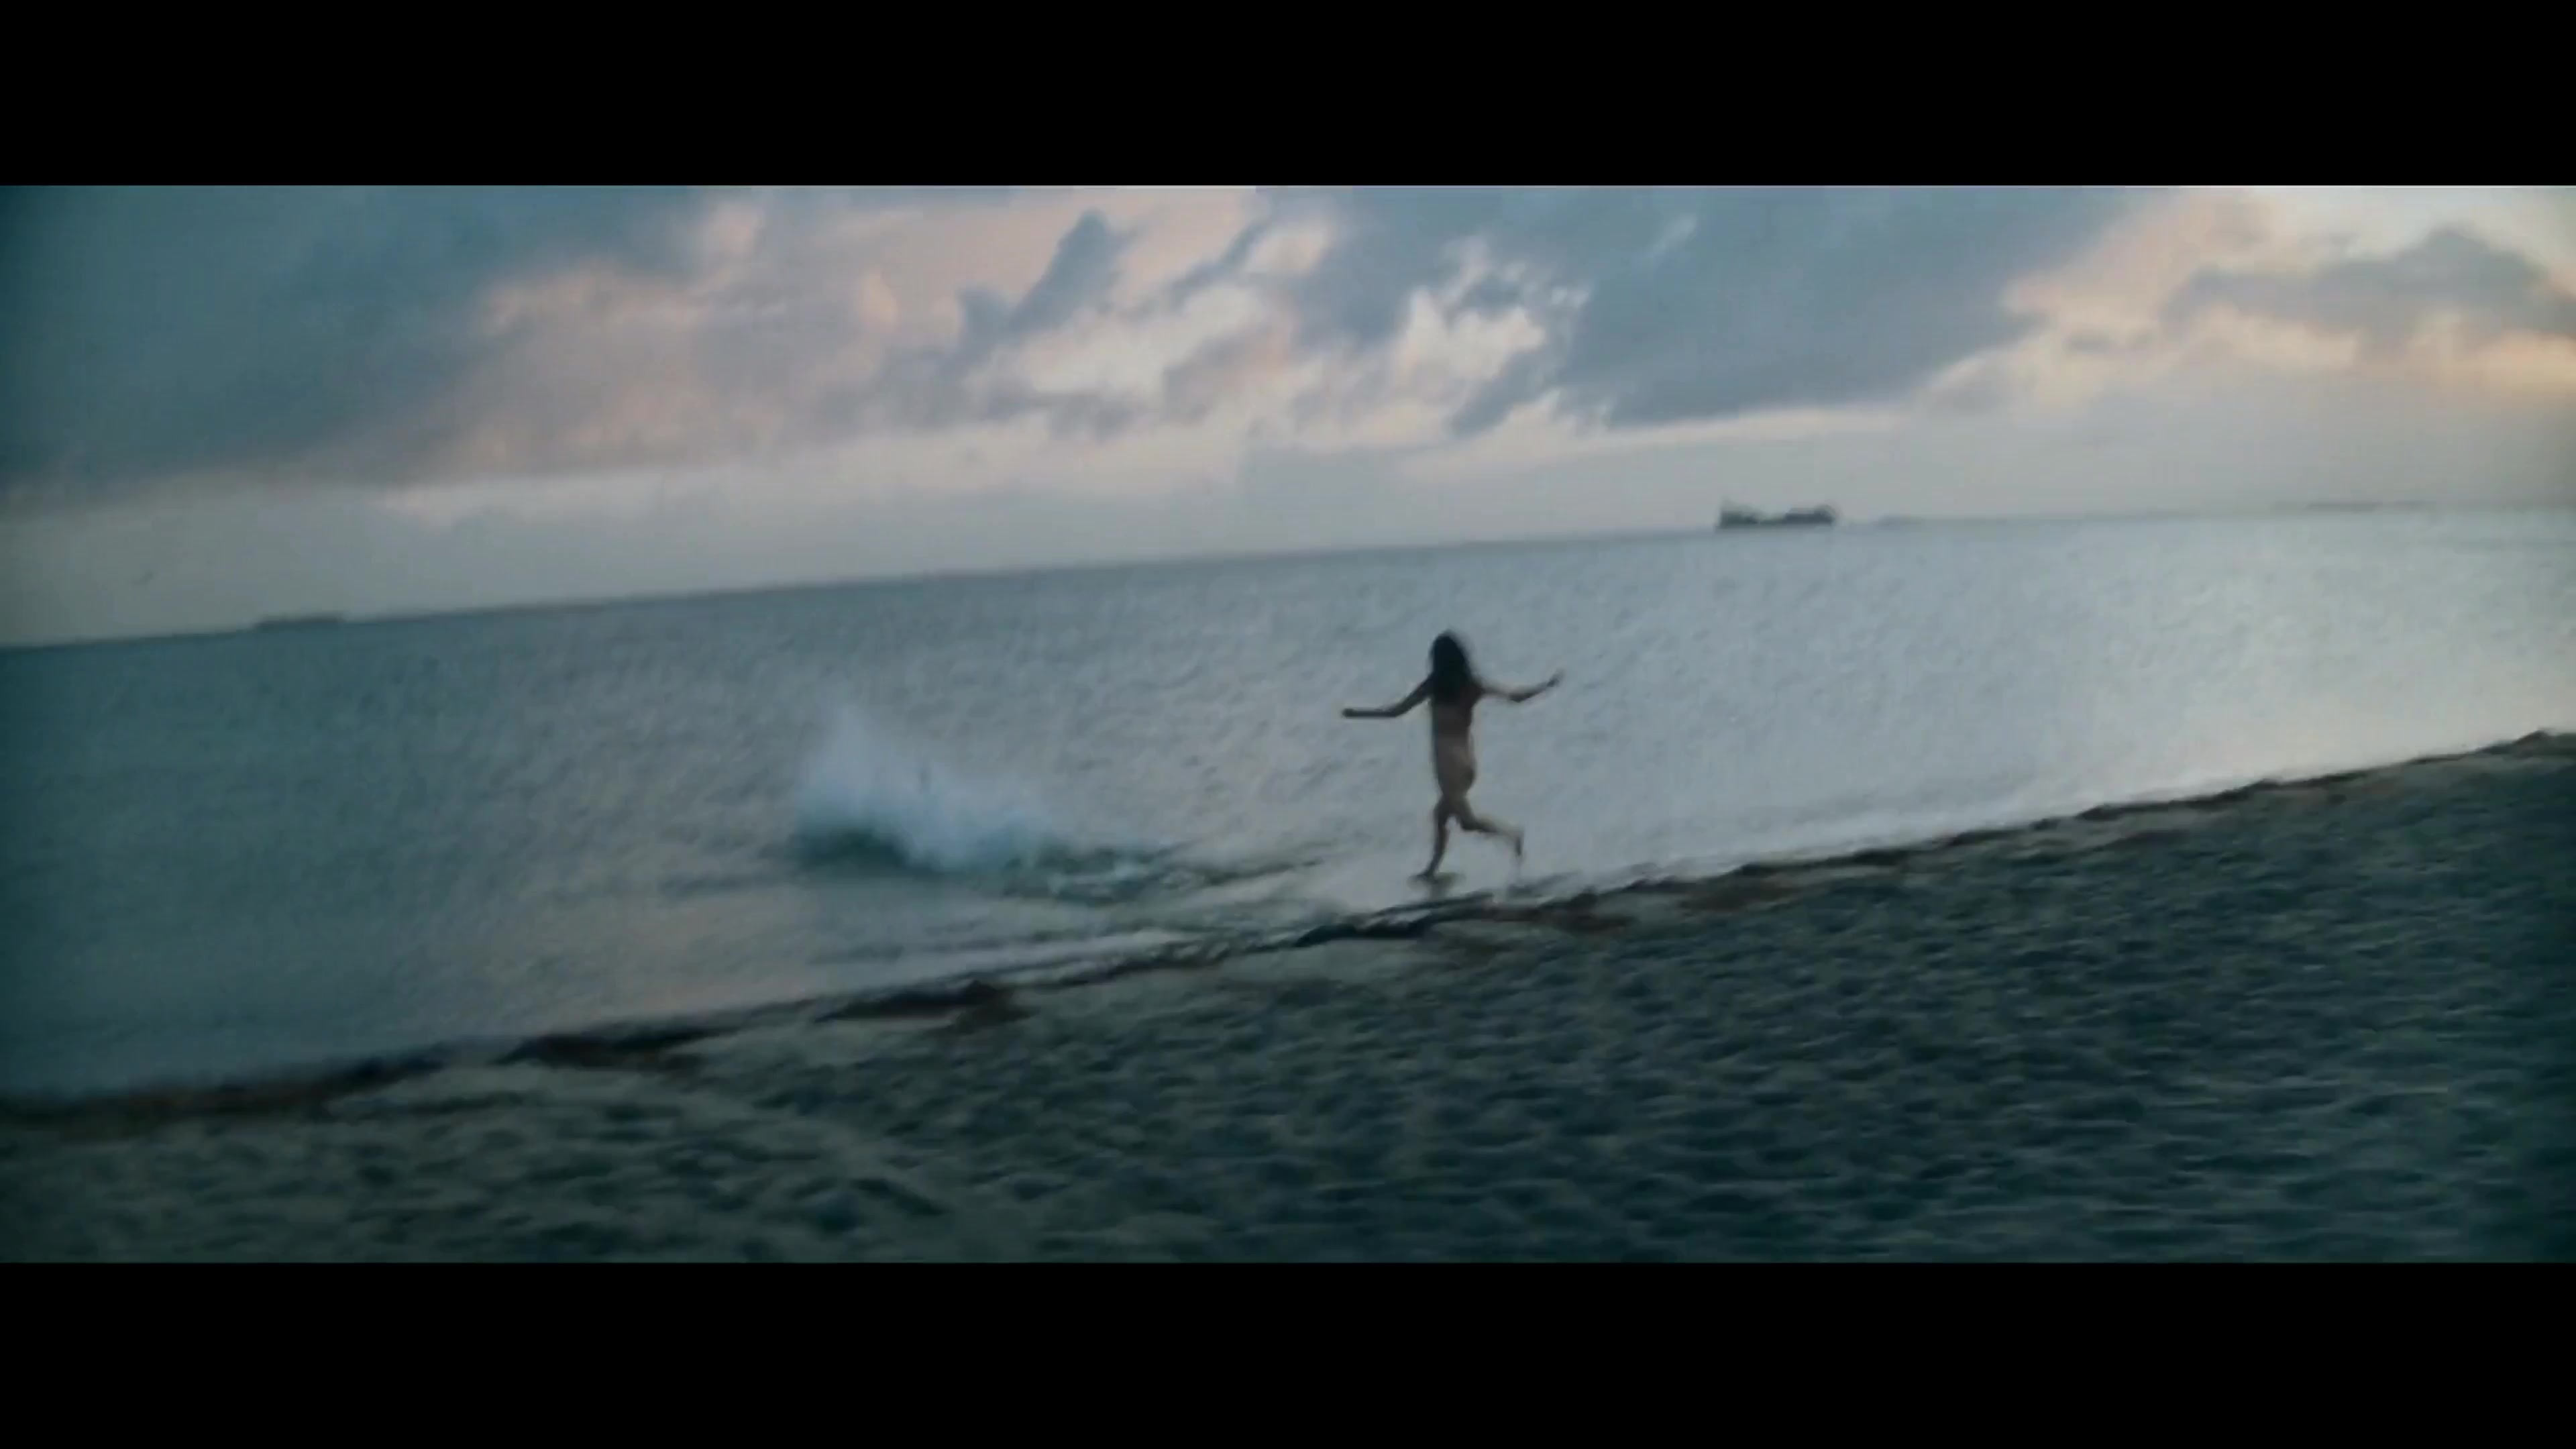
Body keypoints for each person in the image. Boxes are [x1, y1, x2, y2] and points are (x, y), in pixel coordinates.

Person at [1342, 631, 1562, 879]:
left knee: (1466, 822)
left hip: (1448, 763)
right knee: (1440, 816)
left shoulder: (1433, 686)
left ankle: (1511, 836)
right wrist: (1545, 686)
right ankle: (1431, 871)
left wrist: (1358, 714)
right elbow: (1514, 697)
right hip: (1466, 760)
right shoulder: (1471, 685)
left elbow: (1396, 711)